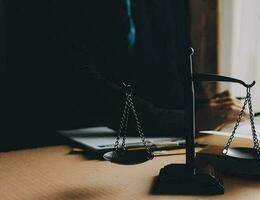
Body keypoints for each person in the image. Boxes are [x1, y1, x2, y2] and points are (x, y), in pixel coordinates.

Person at [3, 0, 246, 150]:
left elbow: (167, 74)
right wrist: (187, 120)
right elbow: (82, 88)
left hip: (132, 136)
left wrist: (201, 107)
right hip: (46, 141)